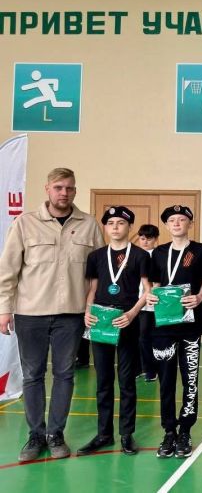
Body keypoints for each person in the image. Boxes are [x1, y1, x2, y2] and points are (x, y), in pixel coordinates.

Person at [0, 167, 104, 462]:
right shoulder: (25, 223)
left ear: (75, 190)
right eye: (58, 187)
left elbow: (99, 272)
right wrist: (4, 309)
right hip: (30, 313)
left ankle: (56, 434)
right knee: (32, 375)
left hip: (71, 314)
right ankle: (35, 435)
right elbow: (8, 270)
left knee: (64, 374)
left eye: (69, 188)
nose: (64, 193)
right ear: (47, 189)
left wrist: (94, 307)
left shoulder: (88, 225)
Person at [78, 206, 150, 456]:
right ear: (106, 228)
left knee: (127, 381)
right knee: (103, 380)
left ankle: (126, 434)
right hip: (100, 322)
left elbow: (148, 290)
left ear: (130, 227)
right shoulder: (96, 256)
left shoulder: (140, 255)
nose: (116, 227)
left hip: (126, 322)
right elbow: (93, 288)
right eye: (111, 223)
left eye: (121, 223)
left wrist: (132, 313)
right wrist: (87, 312)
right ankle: (104, 434)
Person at [145, 205, 202, 458]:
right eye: (172, 220)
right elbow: (155, 283)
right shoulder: (159, 252)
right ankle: (169, 431)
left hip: (190, 323)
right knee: (166, 380)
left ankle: (185, 430)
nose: (176, 223)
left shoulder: (201, 250)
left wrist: (200, 297)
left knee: (190, 379)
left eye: (181, 219)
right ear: (166, 225)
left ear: (189, 223)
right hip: (163, 324)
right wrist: (151, 295)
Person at [137, 223, 160, 381]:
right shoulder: (134, 254)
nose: (145, 242)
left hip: (151, 304)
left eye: (149, 238)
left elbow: (158, 280)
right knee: (137, 338)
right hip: (135, 303)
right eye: (142, 238)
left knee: (147, 337)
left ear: (156, 239)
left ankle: (151, 370)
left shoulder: (158, 256)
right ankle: (140, 368)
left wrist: (152, 294)